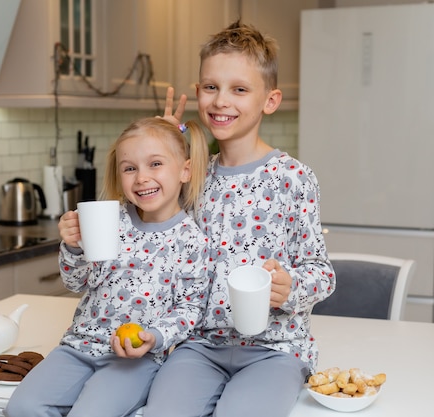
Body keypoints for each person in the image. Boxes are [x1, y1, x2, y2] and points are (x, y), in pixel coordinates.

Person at [143, 21, 336, 417]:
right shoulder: (190, 174)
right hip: (198, 346)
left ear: (270, 100)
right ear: (197, 92)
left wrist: (292, 286)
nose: (221, 101)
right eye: (211, 87)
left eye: (240, 89)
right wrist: (161, 147)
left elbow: (322, 272)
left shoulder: (294, 178)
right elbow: (145, 239)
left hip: (274, 350)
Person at [4, 117, 211, 417]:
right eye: (130, 168)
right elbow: (76, 282)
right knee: (23, 407)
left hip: (135, 360)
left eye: (155, 164)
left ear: (185, 170)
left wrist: (155, 336)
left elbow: (190, 309)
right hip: (78, 347)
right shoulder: (110, 220)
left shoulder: (191, 239)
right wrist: (74, 246)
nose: (141, 178)